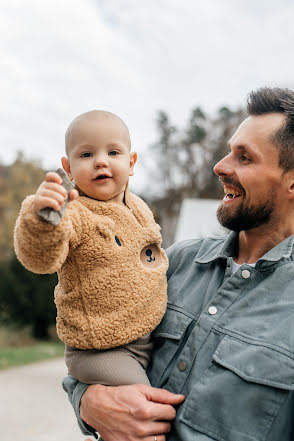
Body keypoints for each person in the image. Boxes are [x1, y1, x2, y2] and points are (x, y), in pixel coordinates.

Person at [63, 87, 294, 441]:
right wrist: (89, 401)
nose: (220, 166)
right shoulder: (178, 260)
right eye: (229, 152)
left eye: (244, 157)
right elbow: (97, 344)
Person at [14, 110, 168, 387]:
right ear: (68, 168)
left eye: (113, 152)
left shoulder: (140, 208)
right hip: (99, 349)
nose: (100, 162)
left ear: (131, 162)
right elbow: (41, 259)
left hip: (146, 335)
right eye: (86, 155)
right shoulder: (74, 213)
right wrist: (42, 220)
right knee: (143, 407)